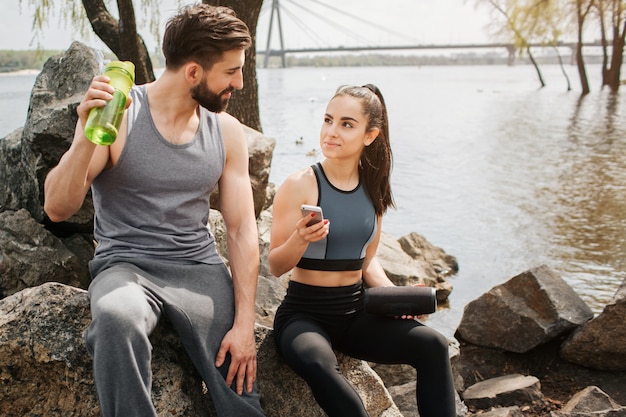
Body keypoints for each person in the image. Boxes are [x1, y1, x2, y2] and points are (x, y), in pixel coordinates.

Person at [43, 4, 265, 417]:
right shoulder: (121, 115)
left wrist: (245, 323)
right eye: (232, 71)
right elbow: (56, 207)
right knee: (116, 318)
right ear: (194, 72)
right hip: (125, 266)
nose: (239, 82)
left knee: (239, 381)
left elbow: (240, 230)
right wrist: (85, 136)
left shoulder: (228, 132)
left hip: (199, 269)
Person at [268, 84, 457, 417]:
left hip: (357, 314)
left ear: (370, 135)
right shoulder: (300, 183)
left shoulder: (373, 190)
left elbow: (367, 261)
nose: (331, 131)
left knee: (433, 345)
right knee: (324, 370)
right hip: (304, 316)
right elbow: (275, 265)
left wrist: (393, 298)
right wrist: (299, 238)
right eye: (328, 120)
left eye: (346, 124)